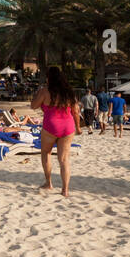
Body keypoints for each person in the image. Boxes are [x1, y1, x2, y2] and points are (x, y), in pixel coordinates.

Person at [31, 66, 79, 196]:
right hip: (68, 126)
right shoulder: (69, 92)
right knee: (64, 159)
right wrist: (78, 127)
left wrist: (37, 94)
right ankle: (65, 190)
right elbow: (76, 111)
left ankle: (49, 183)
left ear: (48, 78)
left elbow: (33, 106)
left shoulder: (44, 91)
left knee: (46, 153)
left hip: (51, 126)